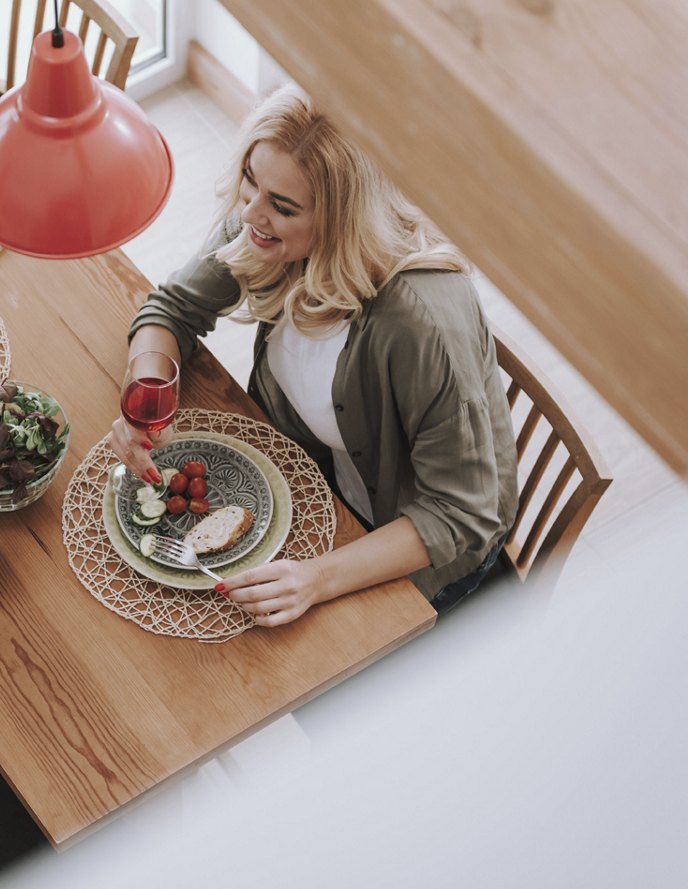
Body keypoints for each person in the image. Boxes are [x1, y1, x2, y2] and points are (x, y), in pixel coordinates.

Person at [111, 84, 517, 622]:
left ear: (341, 219)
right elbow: (172, 309)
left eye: (281, 206)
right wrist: (147, 391)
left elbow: (462, 513)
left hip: (417, 563)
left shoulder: (421, 322)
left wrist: (316, 577)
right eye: (250, 181)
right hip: (315, 492)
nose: (250, 213)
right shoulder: (267, 223)